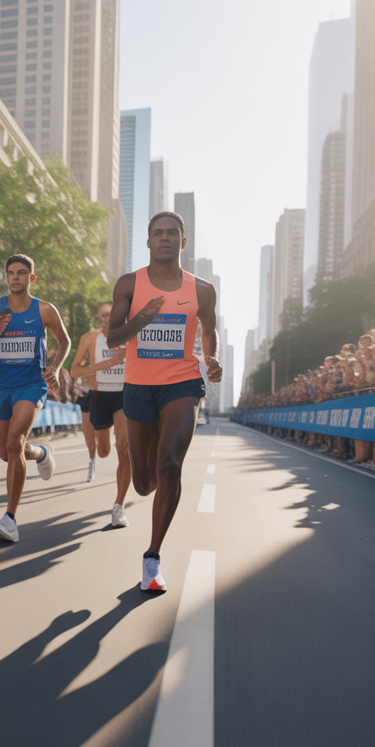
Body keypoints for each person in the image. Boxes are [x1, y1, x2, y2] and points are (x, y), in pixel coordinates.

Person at [106, 211, 221, 592]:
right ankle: (151, 481)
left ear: (182, 242)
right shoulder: (129, 283)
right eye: (158, 233)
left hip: (182, 384)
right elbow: (113, 338)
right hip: (138, 386)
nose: (165, 238)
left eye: (173, 233)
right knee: (143, 483)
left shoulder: (201, 290)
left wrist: (212, 358)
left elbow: (210, 332)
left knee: (171, 464)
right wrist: (144, 318)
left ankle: (152, 558)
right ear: (149, 242)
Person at [0, 254, 66, 543]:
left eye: (22, 273)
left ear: (31, 278)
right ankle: (41, 453)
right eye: (11, 272)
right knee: (4, 452)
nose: (15, 277)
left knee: (14, 444)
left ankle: (10, 518)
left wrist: (55, 369)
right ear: (6, 276)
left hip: (31, 385)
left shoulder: (45, 310)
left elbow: (65, 341)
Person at [69, 301, 131, 527]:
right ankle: (100, 451)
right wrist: (103, 365)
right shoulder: (90, 339)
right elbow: (75, 370)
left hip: (124, 395)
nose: (108, 318)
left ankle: (119, 507)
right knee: (104, 451)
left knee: (124, 447)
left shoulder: (130, 337)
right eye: (104, 315)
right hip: (100, 396)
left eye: (112, 314)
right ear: (99, 318)